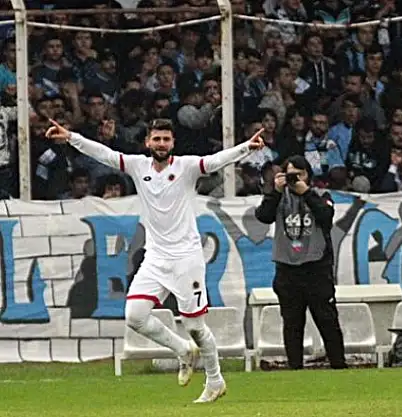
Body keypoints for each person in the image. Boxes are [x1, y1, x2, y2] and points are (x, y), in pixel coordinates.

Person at [44, 118, 265, 403]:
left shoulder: (186, 167)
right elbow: (105, 154)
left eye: (166, 139)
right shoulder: (138, 166)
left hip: (186, 258)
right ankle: (182, 350)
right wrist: (71, 137)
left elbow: (214, 161)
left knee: (195, 327)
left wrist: (246, 147)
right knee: (135, 316)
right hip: (156, 257)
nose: (161, 144)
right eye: (157, 139)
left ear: (173, 143)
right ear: (148, 141)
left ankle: (215, 380)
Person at [254, 155, 347, 370]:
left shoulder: (320, 195)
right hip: (287, 268)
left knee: (327, 320)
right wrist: (275, 191)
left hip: (316, 266)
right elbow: (263, 216)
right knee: (292, 323)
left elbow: (326, 216)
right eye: (290, 175)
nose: (295, 179)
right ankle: (295, 368)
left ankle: (339, 365)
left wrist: (305, 192)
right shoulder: (279, 197)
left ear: (308, 176)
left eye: (300, 174)